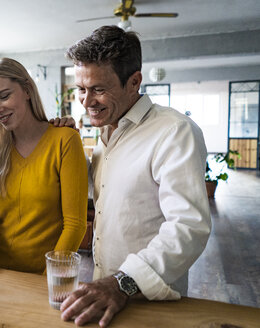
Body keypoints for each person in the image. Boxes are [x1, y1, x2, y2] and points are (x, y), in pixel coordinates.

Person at [59, 26, 211, 327]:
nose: (86, 101)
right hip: (102, 295)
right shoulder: (105, 132)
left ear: (134, 82)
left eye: (98, 89)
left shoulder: (174, 132)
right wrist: (63, 144)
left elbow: (189, 227)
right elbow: (106, 197)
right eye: (81, 89)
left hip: (150, 302)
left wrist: (121, 283)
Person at [0, 58, 88, 274]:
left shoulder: (65, 140)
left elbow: (75, 224)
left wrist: (53, 273)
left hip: (46, 274)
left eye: (4, 96)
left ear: (27, 90)